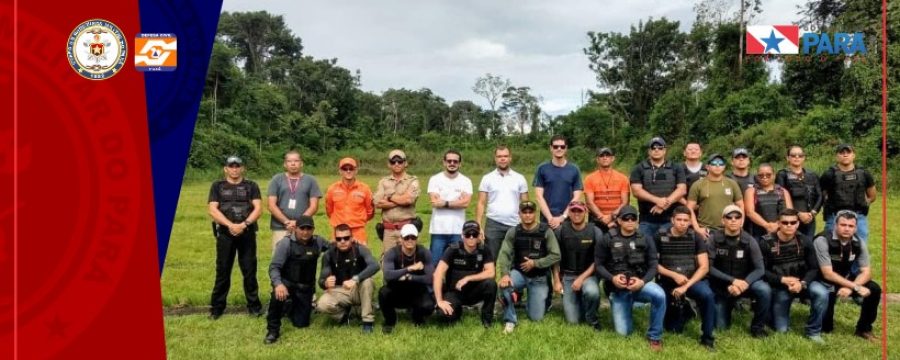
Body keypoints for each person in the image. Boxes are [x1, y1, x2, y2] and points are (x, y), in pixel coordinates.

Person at [594, 205, 666, 352]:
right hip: (617, 288)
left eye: (633, 218)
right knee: (623, 333)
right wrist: (612, 278)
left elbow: (653, 265)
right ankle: (626, 303)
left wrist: (642, 281)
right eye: (626, 218)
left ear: (637, 222)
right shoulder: (607, 238)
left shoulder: (646, 238)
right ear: (619, 221)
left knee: (660, 295)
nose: (630, 221)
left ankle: (654, 337)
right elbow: (598, 265)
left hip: (639, 284)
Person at [207, 155, 263, 319]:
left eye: (237, 166)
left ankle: (254, 307)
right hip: (225, 234)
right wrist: (230, 225)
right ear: (226, 168)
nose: (234, 169)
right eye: (231, 166)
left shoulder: (251, 185)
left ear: (242, 168)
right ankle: (217, 308)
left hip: (247, 232)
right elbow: (212, 209)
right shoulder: (217, 186)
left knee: (249, 271)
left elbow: (258, 209)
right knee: (223, 271)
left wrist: (244, 224)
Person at [759, 209, 827, 343]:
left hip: (803, 282)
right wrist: (782, 280)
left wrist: (802, 283)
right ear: (778, 223)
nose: (789, 225)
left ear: (797, 224)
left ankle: (813, 331)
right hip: (780, 286)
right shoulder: (765, 242)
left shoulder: (805, 241)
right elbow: (762, 271)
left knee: (822, 293)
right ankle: (771, 315)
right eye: (785, 222)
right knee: (781, 329)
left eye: (793, 222)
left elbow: (814, 268)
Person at [812, 210, 881, 342]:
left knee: (874, 288)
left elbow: (866, 272)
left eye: (851, 226)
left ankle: (864, 329)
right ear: (835, 225)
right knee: (826, 327)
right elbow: (828, 273)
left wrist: (852, 287)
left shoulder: (859, 242)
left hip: (846, 278)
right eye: (843, 225)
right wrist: (855, 287)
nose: (847, 229)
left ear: (855, 228)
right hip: (824, 280)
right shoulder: (822, 240)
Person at [655, 205, 716, 351]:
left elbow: (704, 267)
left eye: (686, 220)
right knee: (673, 329)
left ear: (690, 222)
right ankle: (686, 310)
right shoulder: (659, 236)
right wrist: (674, 275)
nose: (682, 223)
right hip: (668, 281)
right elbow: (654, 265)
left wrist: (685, 287)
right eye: (679, 219)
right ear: (672, 220)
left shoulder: (696, 237)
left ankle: (707, 338)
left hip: (691, 280)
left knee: (707, 295)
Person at [706, 205, 771, 338]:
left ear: (742, 221)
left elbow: (760, 269)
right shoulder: (713, 239)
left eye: (737, 217)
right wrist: (732, 281)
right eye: (729, 217)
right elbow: (708, 268)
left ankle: (757, 327)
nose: (733, 220)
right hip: (721, 286)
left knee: (764, 289)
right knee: (721, 327)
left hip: (745, 284)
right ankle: (729, 304)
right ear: (723, 220)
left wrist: (744, 284)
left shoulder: (750, 240)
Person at [496, 200, 561, 334]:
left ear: (535, 213)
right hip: (519, 273)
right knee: (504, 286)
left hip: (539, 277)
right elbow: (504, 254)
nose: (527, 215)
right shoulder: (513, 231)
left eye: (530, 212)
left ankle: (540, 300)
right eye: (524, 212)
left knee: (536, 317)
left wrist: (535, 263)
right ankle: (510, 320)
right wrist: (505, 274)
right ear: (519, 214)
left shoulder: (546, 231)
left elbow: (556, 255)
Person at [264, 215, 328, 344]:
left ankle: (289, 306)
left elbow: (336, 247)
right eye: (302, 228)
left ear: (313, 229)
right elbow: (274, 267)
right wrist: (278, 284)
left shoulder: (318, 241)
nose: (305, 232)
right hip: (287, 284)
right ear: (295, 229)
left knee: (301, 324)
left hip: (305, 288)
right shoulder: (286, 243)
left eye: (308, 229)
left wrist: (354, 243)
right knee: (277, 297)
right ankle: (273, 330)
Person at [316, 224, 381, 333]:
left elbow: (375, 265)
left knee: (368, 281)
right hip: (340, 291)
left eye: (346, 238)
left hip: (358, 289)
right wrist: (325, 283)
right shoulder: (329, 254)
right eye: (339, 239)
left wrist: (355, 279)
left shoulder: (361, 249)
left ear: (351, 238)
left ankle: (367, 321)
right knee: (322, 304)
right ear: (335, 239)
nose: (342, 241)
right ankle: (345, 316)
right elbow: (321, 281)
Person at [433, 221, 498, 327]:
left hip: (475, 291)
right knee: (443, 316)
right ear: (462, 236)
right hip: (455, 292)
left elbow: (491, 272)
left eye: (475, 234)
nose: (471, 237)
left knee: (491, 284)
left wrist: (468, 278)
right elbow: (438, 274)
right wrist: (439, 301)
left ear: (479, 236)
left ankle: (487, 318)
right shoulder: (452, 250)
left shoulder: (484, 249)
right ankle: (457, 311)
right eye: (468, 234)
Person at [551, 201, 603, 329]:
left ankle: (592, 318)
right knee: (573, 321)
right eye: (573, 211)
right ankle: (578, 299)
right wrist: (557, 281)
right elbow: (555, 258)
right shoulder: (560, 231)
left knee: (592, 292)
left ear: (585, 212)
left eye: (579, 211)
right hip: (568, 276)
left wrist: (581, 278)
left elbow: (599, 260)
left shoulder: (595, 231)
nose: (576, 214)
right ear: (568, 213)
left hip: (589, 275)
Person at [379, 224, 435, 333]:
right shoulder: (392, 253)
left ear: (417, 239)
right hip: (397, 290)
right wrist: (409, 268)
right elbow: (388, 275)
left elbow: (429, 278)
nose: (410, 240)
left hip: (417, 290)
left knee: (428, 306)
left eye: (413, 237)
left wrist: (409, 277)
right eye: (406, 237)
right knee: (383, 293)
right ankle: (390, 321)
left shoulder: (424, 252)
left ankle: (417, 317)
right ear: (401, 239)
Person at [475, 145, 529, 258]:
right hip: (493, 224)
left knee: (517, 259)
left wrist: (527, 224)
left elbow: (526, 204)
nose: (502, 159)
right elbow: (481, 203)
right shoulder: (487, 178)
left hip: (515, 223)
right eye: (499, 156)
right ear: (495, 158)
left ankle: (513, 276)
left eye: (505, 156)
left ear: (510, 158)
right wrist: (479, 226)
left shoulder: (520, 178)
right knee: (490, 259)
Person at [630, 136, 687, 240]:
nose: (656, 150)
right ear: (649, 151)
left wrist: (664, 204)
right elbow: (636, 191)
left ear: (665, 150)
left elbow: (682, 189)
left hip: (670, 220)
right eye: (653, 148)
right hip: (646, 221)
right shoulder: (638, 168)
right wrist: (657, 200)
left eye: (660, 147)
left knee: (668, 251)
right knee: (645, 249)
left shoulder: (676, 167)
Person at [820, 144, 876, 246]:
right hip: (834, 216)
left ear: (853, 155)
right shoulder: (829, 174)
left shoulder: (864, 173)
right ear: (837, 156)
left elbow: (872, 195)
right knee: (832, 246)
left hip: (858, 216)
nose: (845, 155)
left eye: (848, 152)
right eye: (841, 153)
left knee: (860, 247)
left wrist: (863, 203)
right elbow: (821, 194)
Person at [267, 150, 322, 250]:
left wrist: (298, 223)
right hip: (281, 228)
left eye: (296, 161)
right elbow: (271, 205)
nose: (293, 164)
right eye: (289, 161)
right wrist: (287, 222)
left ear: (301, 163)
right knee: (280, 259)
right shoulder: (276, 179)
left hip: (303, 228)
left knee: (302, 258)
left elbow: (314, 206)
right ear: (285, 164)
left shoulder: (311, 180)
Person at [427, 149, 473, 262]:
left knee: (456, 264)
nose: (452, 163)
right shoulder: (435, 179)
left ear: (460, 163)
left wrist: (445, 202)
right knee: (435, 264)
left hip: (458, 230)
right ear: (444, 162)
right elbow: (435, 202)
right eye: (449, 161)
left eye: (455, 161)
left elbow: (466, 203)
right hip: (438, 230)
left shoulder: (466, 181)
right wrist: (457, 201)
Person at [686, 153, 744, 240]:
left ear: (724, 167)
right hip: (706, 231)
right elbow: (689, 208)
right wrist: (697, 228)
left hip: (729, 229)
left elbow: (740, 205)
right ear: (707, 167)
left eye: (721, 164)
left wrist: (740, 224)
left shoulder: (732, 183)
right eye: (714, 163)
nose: (717, 166)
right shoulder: (698, 184)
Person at [374, 149, 420, 255]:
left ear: (405, 163)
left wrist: (389, 197)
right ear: (388, 164)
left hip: (407, 229)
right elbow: (377, 203)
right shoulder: (383, 181)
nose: (396, 164)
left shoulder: (412, 181)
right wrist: (401, 200)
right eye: (393, 161)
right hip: (388, 231)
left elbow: (409, 200)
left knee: (408, 261)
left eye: (400, 161)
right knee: (388, 262)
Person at [534, 135, 583, 230]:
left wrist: (563, 217)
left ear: (566, 148)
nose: (559, 149)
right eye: (556, 146)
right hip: (546, 220)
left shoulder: (574, 169)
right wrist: (550, 218)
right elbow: (539, 197)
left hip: (568, 220)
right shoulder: (542, 168)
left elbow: (576, 196)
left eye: (562, 146)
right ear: (551, 148)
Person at [776, 145, 823, 239]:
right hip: (790, 220)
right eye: (793, 155)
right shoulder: (782, 175)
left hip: (810, 219)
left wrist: (812, 213)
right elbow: (781, 198)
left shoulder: (812, 175)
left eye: (800, 155)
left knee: (808, 245)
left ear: (804, 157)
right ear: (788, 158)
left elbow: (820, 195)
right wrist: (798, 214)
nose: (797, 157)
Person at [325, 157, 375, 245]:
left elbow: (370, 212)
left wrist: (357, 221)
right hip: (338, 231)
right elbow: (329, 210)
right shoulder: (332, 189)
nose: (348, 171)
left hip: (358, 231)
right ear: (340, 171)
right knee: (335, 257)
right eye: (345, 169)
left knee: (361, 257)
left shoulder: (365, 189)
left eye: (351, 168)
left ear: (356, 171)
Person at [583, 147, 630, 232]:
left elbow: (625, 202)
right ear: (597, 159)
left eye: (608, 155)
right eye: (601, 156)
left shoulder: (623, 178)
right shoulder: (589, 178)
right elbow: (589, 203)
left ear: (612, 159)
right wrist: (602, 217)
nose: (605, 158)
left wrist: (611, 216)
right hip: (596, 220)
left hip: (617, 220)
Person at [744, 164, 793, 239]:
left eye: (768, 174)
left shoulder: (783, 191)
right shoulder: (751, 191)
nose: (764, 177)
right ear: (757, 176)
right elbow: (750, 212)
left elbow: (790, 212)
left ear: (774, 175)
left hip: (781, 232)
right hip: (757, 233)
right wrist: (766, 225)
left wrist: (777, 225)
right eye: (761, 175)